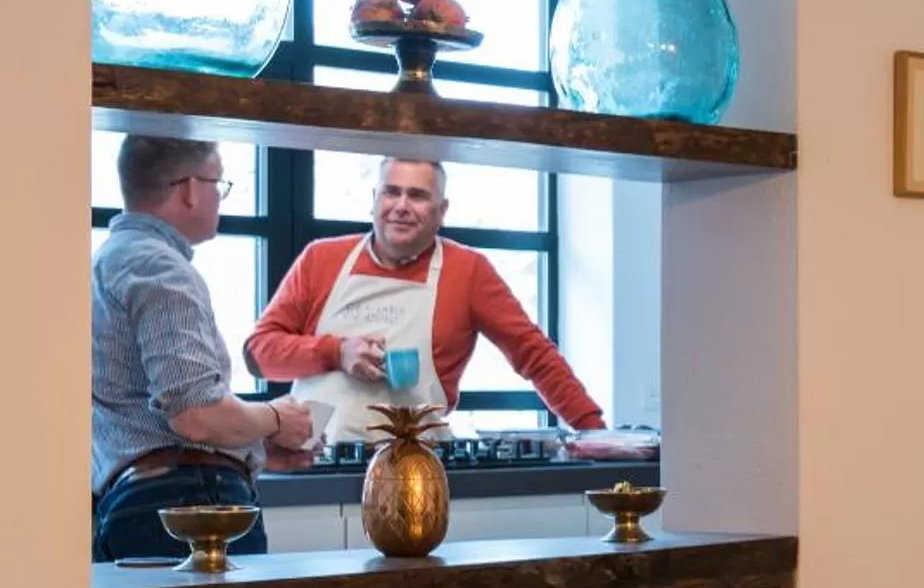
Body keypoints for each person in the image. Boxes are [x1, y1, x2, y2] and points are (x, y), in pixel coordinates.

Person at [248, 157, 606, 440]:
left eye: (418, 196)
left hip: (419, 472)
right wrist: (336, 352)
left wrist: (596, 434)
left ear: (442, 210)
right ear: (373, 200)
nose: (401, 206)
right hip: (316, 463)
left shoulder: (468, 271)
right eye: (391, 192)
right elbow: (259, 356)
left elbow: (536, 355)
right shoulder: (321, 259)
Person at [93, 137, 312, 561]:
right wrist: (273, 419)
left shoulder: (106, 261)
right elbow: (195, 415)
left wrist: (254, 446)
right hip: (188, 504)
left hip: (129, 501)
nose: (219, 197)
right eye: (219, 183)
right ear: (190, 188)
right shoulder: (158, 266)